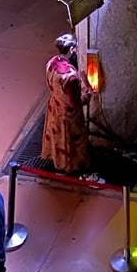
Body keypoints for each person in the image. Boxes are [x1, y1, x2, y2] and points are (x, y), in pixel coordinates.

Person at [41, 32, 91, 173]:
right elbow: (75, 103)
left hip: (54, 107)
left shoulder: (51, 63)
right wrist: (87, 93)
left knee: (57, 138)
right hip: (68, 117)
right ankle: (70, 166)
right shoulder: (71, 77)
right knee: (69, 141)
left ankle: (57, 161)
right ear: (71, 49)